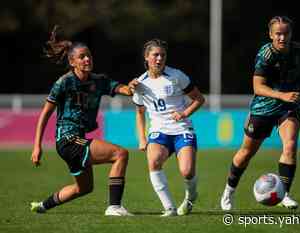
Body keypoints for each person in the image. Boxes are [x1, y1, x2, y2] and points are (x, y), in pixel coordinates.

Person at [220, 16, 300, 210]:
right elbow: (257, 87)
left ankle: (284, 193)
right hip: (263, 108)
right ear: (270, 35)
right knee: (246, 153)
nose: (282, 37)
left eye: (285, 33)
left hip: (289, 108)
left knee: (290, 145)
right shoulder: (266, 54)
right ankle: (229, 191)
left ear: (291, 34)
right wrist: (282, 95)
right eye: (278, 33)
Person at [30, 25, 139, 216]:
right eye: (82, 57)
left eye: (88, 55)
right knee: (120, 154)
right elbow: (45, 114)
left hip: (75, 140)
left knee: (84, 188)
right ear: (72, 62)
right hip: (68, 139)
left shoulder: (98, 81)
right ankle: (114, 207)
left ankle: (42, 206)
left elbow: (124, 90)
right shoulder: (64, 82)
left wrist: (131, 86)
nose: (87, 59)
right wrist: (37, 146)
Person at [132, 39, 205, 216]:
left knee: (187, 171)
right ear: (146, 57)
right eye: (155, 55)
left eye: (162, 55)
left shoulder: (177, 76)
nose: (159, 59)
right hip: (159, 131)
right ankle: (169, 208)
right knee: (154, 161)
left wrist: (184, 114)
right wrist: (142, 139)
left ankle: (191, 196)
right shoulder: (139, 83)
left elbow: (199, 99)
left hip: (182, 129)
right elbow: (140, 113)